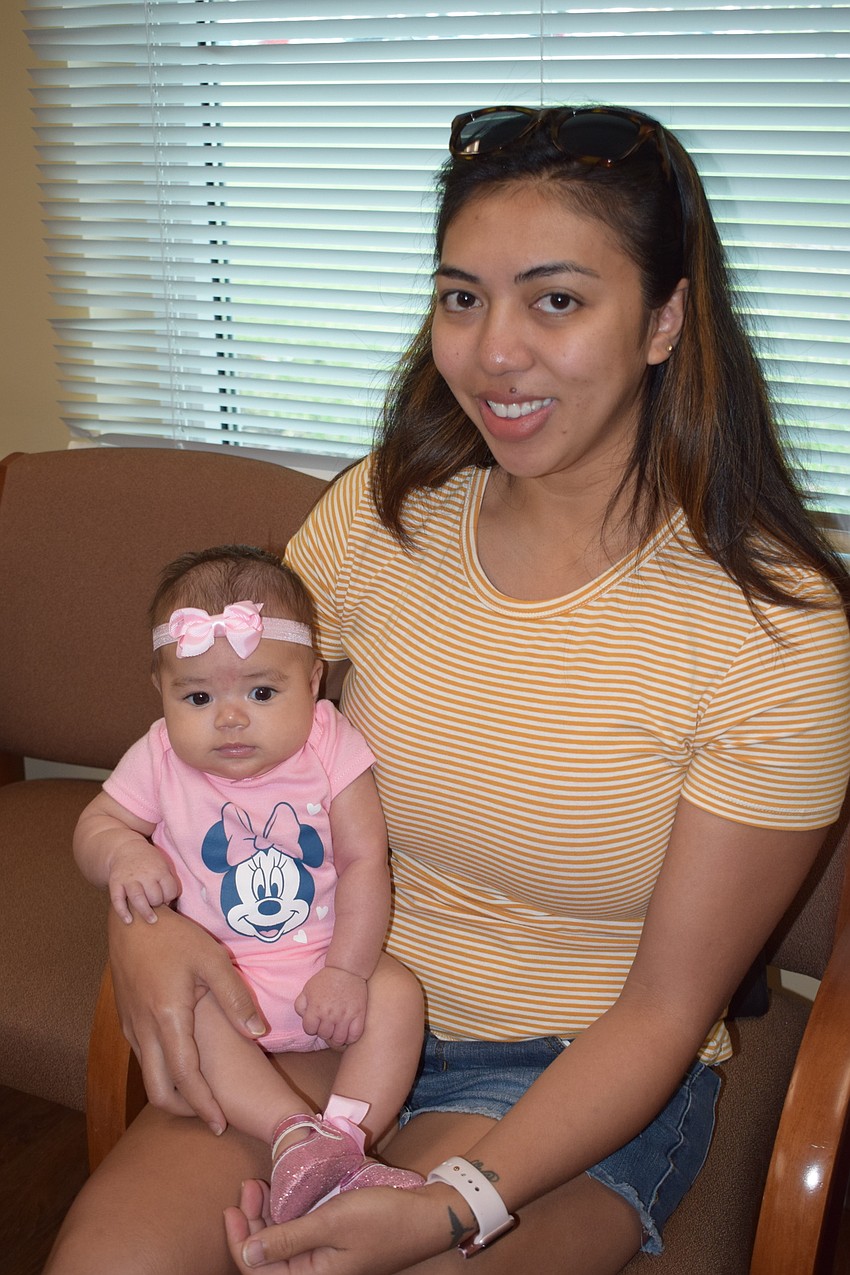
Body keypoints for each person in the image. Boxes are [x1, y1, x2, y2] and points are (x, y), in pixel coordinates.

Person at [47, 103, 850, 1275]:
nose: (493, 352)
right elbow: (207, 746)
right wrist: (150, 930)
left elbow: (668, 1012)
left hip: (564, 1073)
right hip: (325, 1002)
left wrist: (451, 1205)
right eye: (461, 297)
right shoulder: (383, 514)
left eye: (556, 299)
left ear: (666, 318)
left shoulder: (774, 627)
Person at [72, 544, 425, 1223]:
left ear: (314, 680)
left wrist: (349, 970)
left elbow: (362, 859)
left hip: (325, 968)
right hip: (223, 977)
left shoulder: (331, 741)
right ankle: (293, 1135)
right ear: (161, 690)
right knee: (191, 1010)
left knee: (398, 994)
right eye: (198, 695)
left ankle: (347, 1141)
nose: (230, 717)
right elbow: (97, 821)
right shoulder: (157, 756)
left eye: (262, 692)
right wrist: (118, 850)